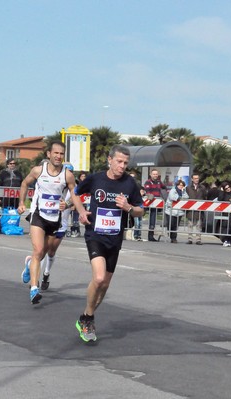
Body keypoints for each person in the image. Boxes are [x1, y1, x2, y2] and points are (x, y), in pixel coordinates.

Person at [72, 144, 144, 342]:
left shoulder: (130, 183)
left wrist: (129, 207)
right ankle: (88, 318)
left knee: (105, 285)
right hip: (95, 235)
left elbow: (141, 210)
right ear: (109, 160)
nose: (122, 166)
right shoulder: (96, 179)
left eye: (125, 163)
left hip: (115, 238)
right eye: (119, 162)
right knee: (99, 278)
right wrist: (80, 211)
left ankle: (86, 317)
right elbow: (75, 192)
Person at [17, 141, 77, 304]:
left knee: (44, 252)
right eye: (56, 153)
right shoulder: (38, 171)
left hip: (55, 219)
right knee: (38, 249)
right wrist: (22, 203)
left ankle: (29, 263)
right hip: (39, 215)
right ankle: (34, 289)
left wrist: (69, 204)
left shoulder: (67, 175)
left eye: (61, 154)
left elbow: (75, 194)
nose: (58, 156)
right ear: (48, 154)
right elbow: (24, 183)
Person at [186, 173, 206, 245]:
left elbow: (205, 197)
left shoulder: (202, 188)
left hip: (199, 209)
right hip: (191, 209)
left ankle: (198, 239)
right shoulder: (188, 188)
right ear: (192, 179)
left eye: (197, 178)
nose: (196, 180)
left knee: (198, 224)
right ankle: (190, 239)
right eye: (195, 178)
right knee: (190, 224)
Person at [164, 179, 187, 244]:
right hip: (170, 211)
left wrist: (183, 193)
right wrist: (180, 197)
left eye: (182, 185)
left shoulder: (184, 191)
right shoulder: (173, 190)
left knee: (175, 226)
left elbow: (187, 197)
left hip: (179, 212)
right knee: (171, 224)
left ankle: (173, 238)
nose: (181, 186)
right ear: (177, 185)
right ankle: (170, 232)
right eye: (179, 185)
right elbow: (172, 197)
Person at [144, 169, 164, 242]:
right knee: (141, 217)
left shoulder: (159, 182)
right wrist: (151, 196)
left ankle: (151, 235)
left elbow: (164, 187)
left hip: (156, 204)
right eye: (154, 174)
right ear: (150, 174)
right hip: (149, 203)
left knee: (153, 220)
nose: (155, 175)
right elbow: (148, 192)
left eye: (156, 174)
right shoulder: (148, 182)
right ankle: (138, 234)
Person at [128, 171, 145, 241]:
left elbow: (143, 191)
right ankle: (135, 235)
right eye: (131, 177)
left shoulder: (138, 184)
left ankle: (139, 235)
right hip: (133, 205)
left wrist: (142, 192)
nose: (132, 179)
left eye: (133, 177)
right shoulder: (127, 185)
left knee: (140, 222)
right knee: (136, 222)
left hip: (139, 204)